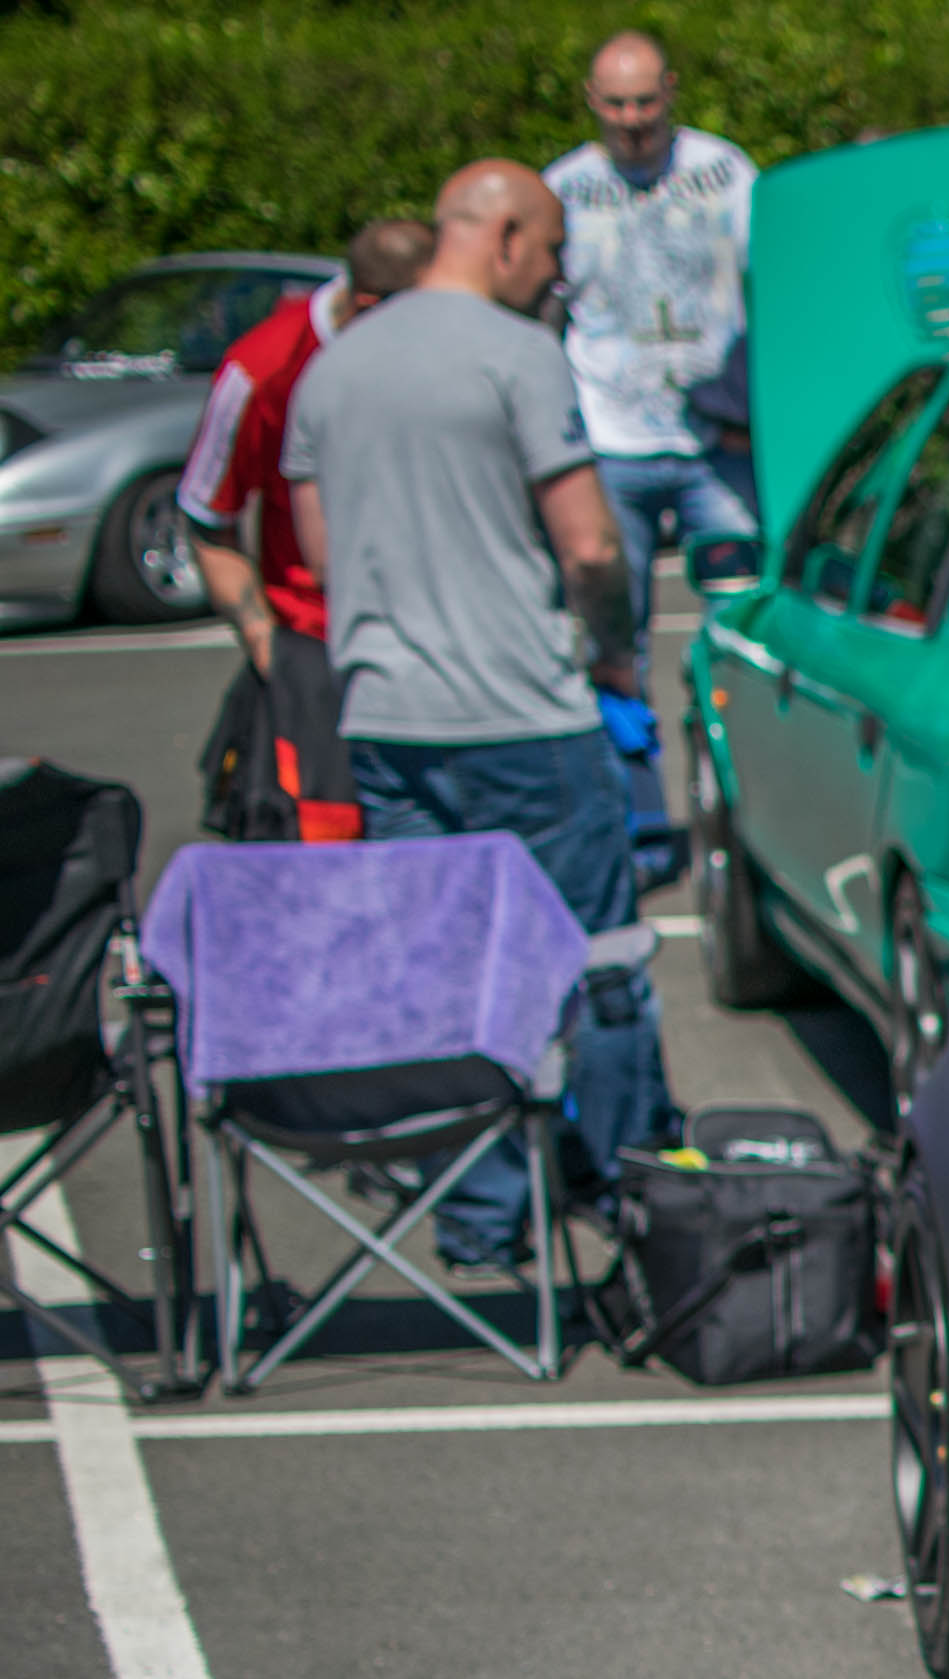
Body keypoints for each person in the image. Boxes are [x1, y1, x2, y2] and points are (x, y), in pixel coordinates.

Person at [286, 159, 674, 1272]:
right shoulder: (517, 356)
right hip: (521, 712)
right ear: (501, 236)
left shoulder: (334, 367)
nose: (554, 273)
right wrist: (609, 647)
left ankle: (480, 1216)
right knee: (596, 959)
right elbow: (590, 543)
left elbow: (321, 553)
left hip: (388, 718)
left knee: (443, 971)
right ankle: (629, 1189)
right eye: (549, 250)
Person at [181, 217, 435, 845]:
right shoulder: (262, 368)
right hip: (319, 646)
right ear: (370, 306)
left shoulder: (450, 355)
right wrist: (265, 643)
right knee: (330, 848)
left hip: (439, 634)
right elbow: (208, 517)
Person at [544, 31, 756, 643]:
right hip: (610, 441)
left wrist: (756, 413)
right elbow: (543, 319)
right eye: (616, 104)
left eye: (644, 101)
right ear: (592, 99)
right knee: (612, 623)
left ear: (670, 92)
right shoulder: (563, 188)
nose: (632, 119)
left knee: (742, 615)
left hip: (716, 440)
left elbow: (774, 290)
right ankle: (624, 709)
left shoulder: (726, 171)